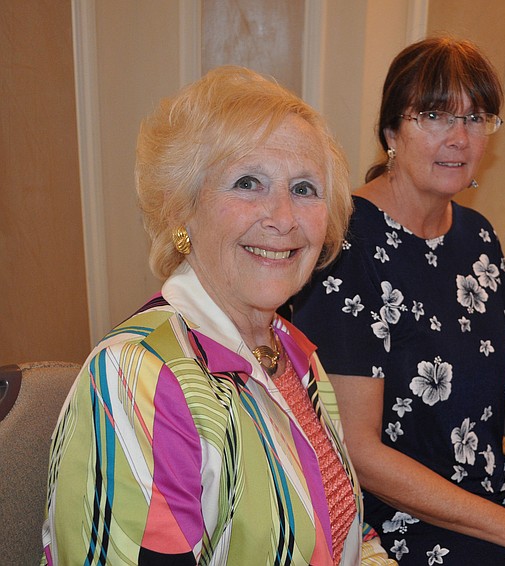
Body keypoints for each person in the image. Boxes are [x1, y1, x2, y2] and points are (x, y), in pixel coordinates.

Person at [41, 66, 393, 565]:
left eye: (304, 189)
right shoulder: (141, 376)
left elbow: (347, 535)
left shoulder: (292, 352)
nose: (283, 218)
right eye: (248, 183)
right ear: (180, 210)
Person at [291, 37, 505, 565]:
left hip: (492, 491)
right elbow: (359, 452)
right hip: (396, 519)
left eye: (476, 118)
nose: (459, 138)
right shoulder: (346, 244)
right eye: (434, 116)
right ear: (391, 131)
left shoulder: (477, 236)